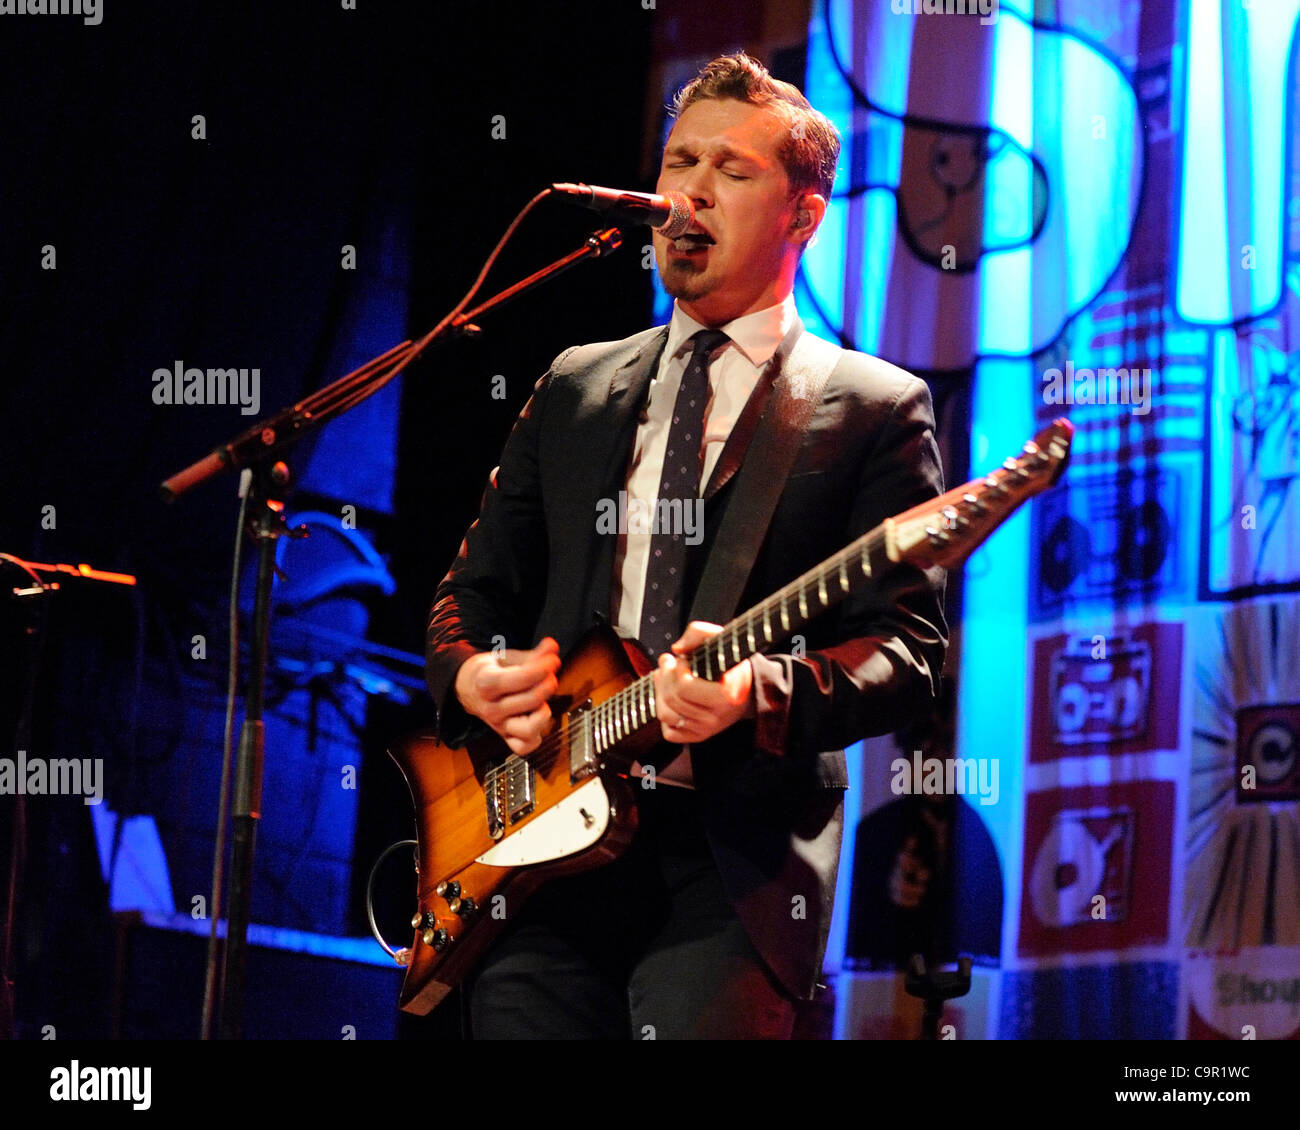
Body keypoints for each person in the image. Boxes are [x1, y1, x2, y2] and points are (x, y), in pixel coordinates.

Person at [425, 52, 948, 1039]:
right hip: (538, 838)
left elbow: (909, 652)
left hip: (733, 863)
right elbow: (471, 590)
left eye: (731, 171)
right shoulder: (576, 384)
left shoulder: (874, 408)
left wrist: (763, 690)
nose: (687, 194)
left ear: (802, 214)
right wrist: (469, 677)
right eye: (677, 162)